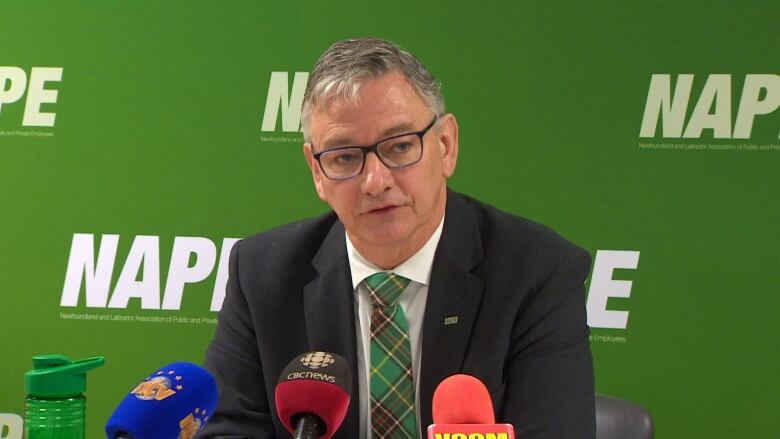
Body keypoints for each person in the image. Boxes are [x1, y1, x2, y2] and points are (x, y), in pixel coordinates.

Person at [198, 37, 595, 439]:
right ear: (316, 172)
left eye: (401, 146)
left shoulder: (537, 274)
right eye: (345, 157)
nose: (375, 181)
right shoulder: (262, 274)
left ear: (446, 145)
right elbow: (228, 430)